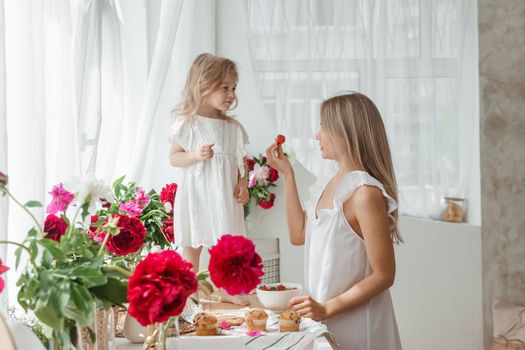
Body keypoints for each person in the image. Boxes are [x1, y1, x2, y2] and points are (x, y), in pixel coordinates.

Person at [266, 92, 402, 349]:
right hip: (325, 320)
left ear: (345, 132)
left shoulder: (365, 193)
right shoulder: (331, 180)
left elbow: (384, 275)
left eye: (323, 126)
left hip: (359, 325)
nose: (317, 135)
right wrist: (288, 174)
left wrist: (327, 307)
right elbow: (298, 234)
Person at [169, 53, 250, 305]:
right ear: (203, 86)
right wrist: (194, 154)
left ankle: (227, 289)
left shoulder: (233, 129)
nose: (231, 94)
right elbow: (174, 157)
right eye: (224, 87)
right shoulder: (189, 124)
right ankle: (188, 290)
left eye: (233, 88)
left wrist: (242, 182)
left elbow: (240, 161)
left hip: (224, 196)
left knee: (226, 245)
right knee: (193, 244)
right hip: (199, 194)